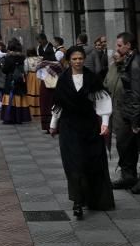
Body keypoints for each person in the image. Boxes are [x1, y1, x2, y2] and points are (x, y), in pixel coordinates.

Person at [49, 46, 115, 219]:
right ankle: (77, 202)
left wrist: (105, 123)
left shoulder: (92, 78)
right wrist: (53, 124)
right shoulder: (63, 80)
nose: (78, 61)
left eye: (80, 58)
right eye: (74, 59)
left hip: (89, 125)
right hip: (69, 126)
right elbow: (58, 104)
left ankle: (96, 199)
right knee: (74, 164)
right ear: (68, 60)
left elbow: (102, 101)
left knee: (93, 162)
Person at [112, 32, 140, 194]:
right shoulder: (129, 60)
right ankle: (128, 176)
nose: (116, 48)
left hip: (137, 112)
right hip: (129, 111)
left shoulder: (137, 61)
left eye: (119, 45)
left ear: (128, 45)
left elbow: (137, 93)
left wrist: (135, 120)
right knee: (125, 144)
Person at [0, 40, 31, 124]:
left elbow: (5, 70)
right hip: (20, 79)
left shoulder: (9, 57)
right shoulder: (23, 57)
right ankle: (19, 118)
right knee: (19, 97)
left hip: (11, 79)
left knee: (10, 97)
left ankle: (10, 117)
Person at [24, 48, 43, 120]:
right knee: (39, 91)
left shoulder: (27, 60)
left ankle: (32, 110)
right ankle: (40, 110)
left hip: (31, 76)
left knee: (31, 91)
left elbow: (26, 70)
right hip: (40, 75)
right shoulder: (41, 58)